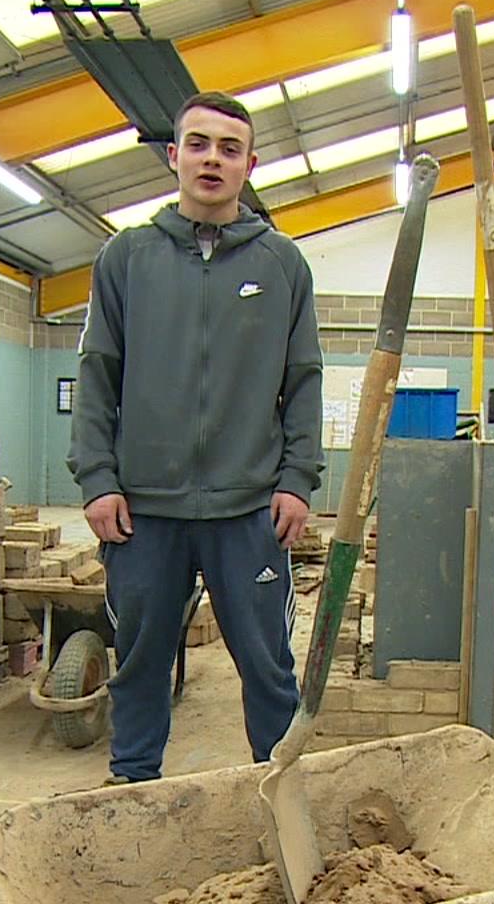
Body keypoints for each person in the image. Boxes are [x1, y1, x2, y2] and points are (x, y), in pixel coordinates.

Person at [68, 91, 324, 784]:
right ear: (174, 155)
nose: (214, 159)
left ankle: (280, 794)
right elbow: (98, 373)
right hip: (144, 511)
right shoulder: (126, 258)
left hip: (249, 511)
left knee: (269, 668)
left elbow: (303, 380)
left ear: (250, 165)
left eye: (230, 148)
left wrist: (298, 480)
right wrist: (98, 479)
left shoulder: (282, 265)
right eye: (200, 144)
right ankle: (133, 789)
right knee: (141, 663)